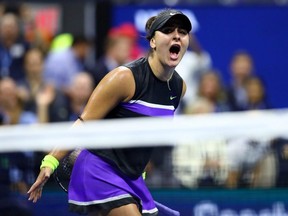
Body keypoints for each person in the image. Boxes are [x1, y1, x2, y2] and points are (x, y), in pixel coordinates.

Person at [27, 9, 192, 216]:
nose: (177, 35)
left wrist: (137, 167)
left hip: (131, 177)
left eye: (183, 32)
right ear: (153, 42)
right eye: (168, 30)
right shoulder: (125, 78)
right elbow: (84, 122)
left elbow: (147, 134)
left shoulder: (178, 88)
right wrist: (51, 161)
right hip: (99, 170)